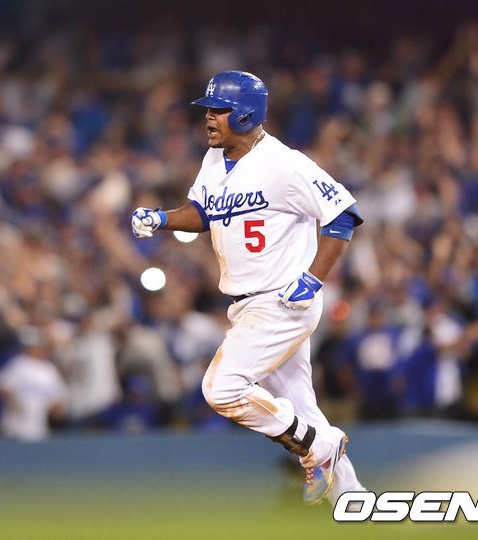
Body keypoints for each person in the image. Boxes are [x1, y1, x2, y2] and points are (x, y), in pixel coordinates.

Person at [132, 71, 365, 505]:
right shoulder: (215, 159)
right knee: (302, 409)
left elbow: (343, 216)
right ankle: (352, 499)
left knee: (221, 388)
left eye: (217, 110)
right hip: (246, 304)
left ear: (244, 113)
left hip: (281, 301)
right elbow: (203, 212)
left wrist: (313, 279)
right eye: (207, 109)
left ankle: (318, 446)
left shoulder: (284, 163)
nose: (208, 117)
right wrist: (162, 219)